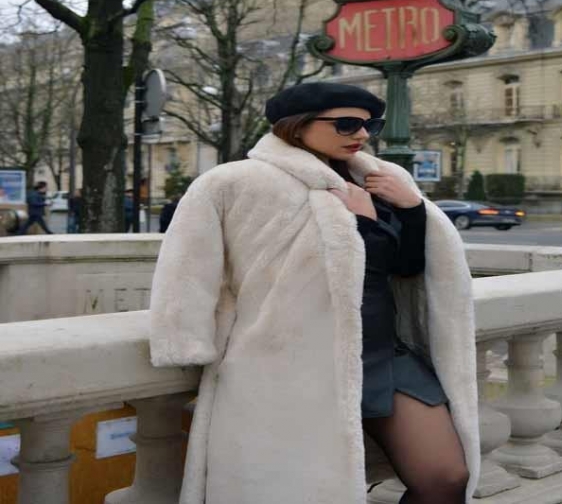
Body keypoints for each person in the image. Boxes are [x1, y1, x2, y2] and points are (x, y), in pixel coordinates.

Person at [149, 82, 479, 504]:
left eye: (371, 125)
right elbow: (188, 265)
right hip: (289, 364)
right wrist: (185, 341)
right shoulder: (232, 182)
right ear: (297, 125)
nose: (362, 135)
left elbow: (405, 268)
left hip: (383, 354)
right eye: (347, 124)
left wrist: (411, 210)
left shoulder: (375, 181)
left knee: (446, 477)